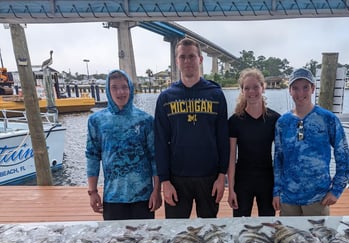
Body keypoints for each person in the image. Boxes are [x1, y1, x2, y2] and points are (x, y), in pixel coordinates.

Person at [154, 38, 229, 219]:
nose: (187, 61)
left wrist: (221, 176)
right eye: (183, 57)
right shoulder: (166, 98)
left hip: (209, 176)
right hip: (177, 178)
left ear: (200, 60)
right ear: (177, 61)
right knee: (176, 232)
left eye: (191, 56)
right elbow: (160, 142)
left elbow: (223, 138)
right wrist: (165, 180)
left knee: (209, 231)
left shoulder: (215, 95)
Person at [273, 68, 349, 216]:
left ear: (313, 89)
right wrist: (276, 191)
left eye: (305, 87)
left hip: (318, 198)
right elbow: (278, 159)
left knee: (318, 239)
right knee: (289, 238)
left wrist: (336, 190)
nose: (300, 93)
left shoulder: (328, 119)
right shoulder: (282, 122)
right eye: (295, 88)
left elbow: (343, 155)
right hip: (288, 198)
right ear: (289, 91)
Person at [85, 69, 161, 220]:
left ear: (130, 89)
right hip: (113, 197)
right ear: (108, 90)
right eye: (114, 87)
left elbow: (155, 158)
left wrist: (157, 191)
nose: (120, 92)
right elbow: (92, 156)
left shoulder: (146, 120)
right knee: (115, 241)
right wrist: (92, 192)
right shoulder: (96, 121)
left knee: (144, 240)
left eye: (124, 87)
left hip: (143, 197)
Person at [227, 68, 280, 217]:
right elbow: (231, 158)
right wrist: (231, 189)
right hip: (243, 180)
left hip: (267, 179)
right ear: (242, 91)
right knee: (240, 224)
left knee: (268, 225)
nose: (252, 91)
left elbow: (280, 156)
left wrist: (278, 189)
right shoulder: (235, 121)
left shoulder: (275, 119)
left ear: (263, 87)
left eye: (256, 87)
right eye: (247, 88)